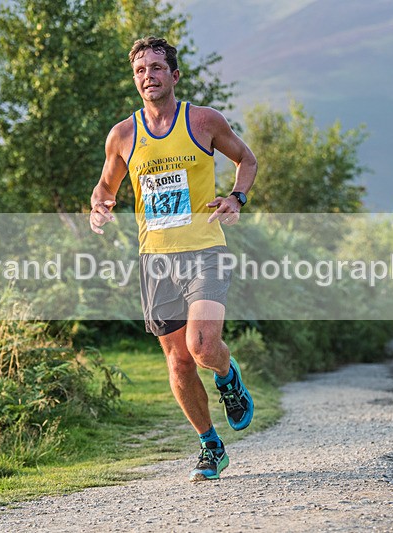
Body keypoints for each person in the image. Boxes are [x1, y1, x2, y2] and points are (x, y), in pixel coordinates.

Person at [89, 36, 257, 481]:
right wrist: (99, 207)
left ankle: (227, 375)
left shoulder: (204, 122)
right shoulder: (123, 135)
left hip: (205, 250)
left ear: (174, 75)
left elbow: (247, 160)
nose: (149, 76)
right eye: (141, 70)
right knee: (178, 361)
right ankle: (210, 445)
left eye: (157, 68)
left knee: (201, 348)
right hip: (156, 260)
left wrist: (236, 198)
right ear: (135, 79)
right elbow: (106, 187)